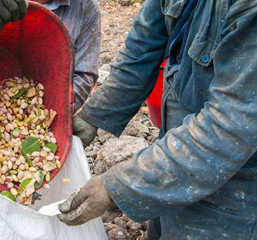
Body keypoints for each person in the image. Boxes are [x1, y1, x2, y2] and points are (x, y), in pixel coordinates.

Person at [57, 0, 257, 239]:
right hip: (173, 151)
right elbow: (140, 53)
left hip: (235, 187)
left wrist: (119, 186)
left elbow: (229, 128)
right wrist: (92, 118)